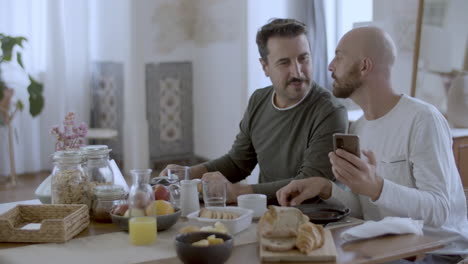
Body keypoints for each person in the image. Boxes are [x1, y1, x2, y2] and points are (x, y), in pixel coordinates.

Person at [276, 27, 468, 263]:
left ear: (364, 66)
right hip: (387, 248)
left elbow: (438, 211)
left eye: (339, 56)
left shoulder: (423, 119)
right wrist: (324, 187)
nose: (330, 66)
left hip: (439, 253)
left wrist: (377, 187)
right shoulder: (358, 127)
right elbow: (365, 209)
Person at [160, 18, 348, 203]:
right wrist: (187, 174)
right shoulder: (259, 99)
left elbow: (308, 183)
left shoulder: (330, 111)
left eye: (303, 58)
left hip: (317, 221)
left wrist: (239, 192)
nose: (297, 71)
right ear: (265, 67)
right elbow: (238, 163)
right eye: (284, 63)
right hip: (266, 214)